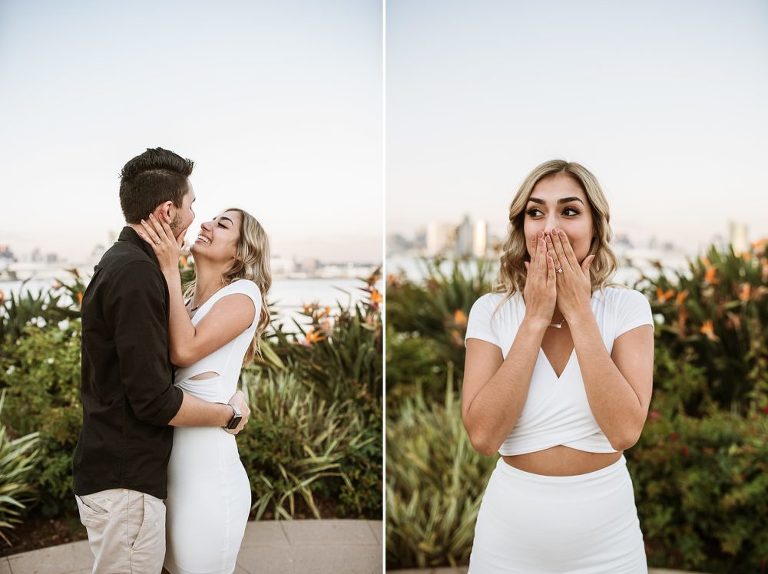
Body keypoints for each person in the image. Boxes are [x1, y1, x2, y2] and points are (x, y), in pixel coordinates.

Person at [462, 159, 654, 573]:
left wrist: (580, 312)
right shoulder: (490, 312)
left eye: (569, 211)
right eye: (536, 212)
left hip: (609, 543)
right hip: (507, 542)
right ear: (522, 226)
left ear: (595, 226)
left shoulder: (627, 308)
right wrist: (534, 318)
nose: (550, 227)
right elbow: (483, 437)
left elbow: (624, 431)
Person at [72, 148, 250, 574]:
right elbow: (153, 399)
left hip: (121, 474)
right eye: (192, 205)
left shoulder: (124, 262)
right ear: (168, 211)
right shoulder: (136, 273)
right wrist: (227, 415)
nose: (197, 218)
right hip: (125, 481)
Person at [136, 206, 271, 574]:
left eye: (222, 224)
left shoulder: (244, 294)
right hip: (168, 476)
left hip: (209, 481)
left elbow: (184, 351)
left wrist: (169, 267)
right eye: (211, 218)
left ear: (241, 252)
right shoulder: (187, 300)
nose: (206, 224)